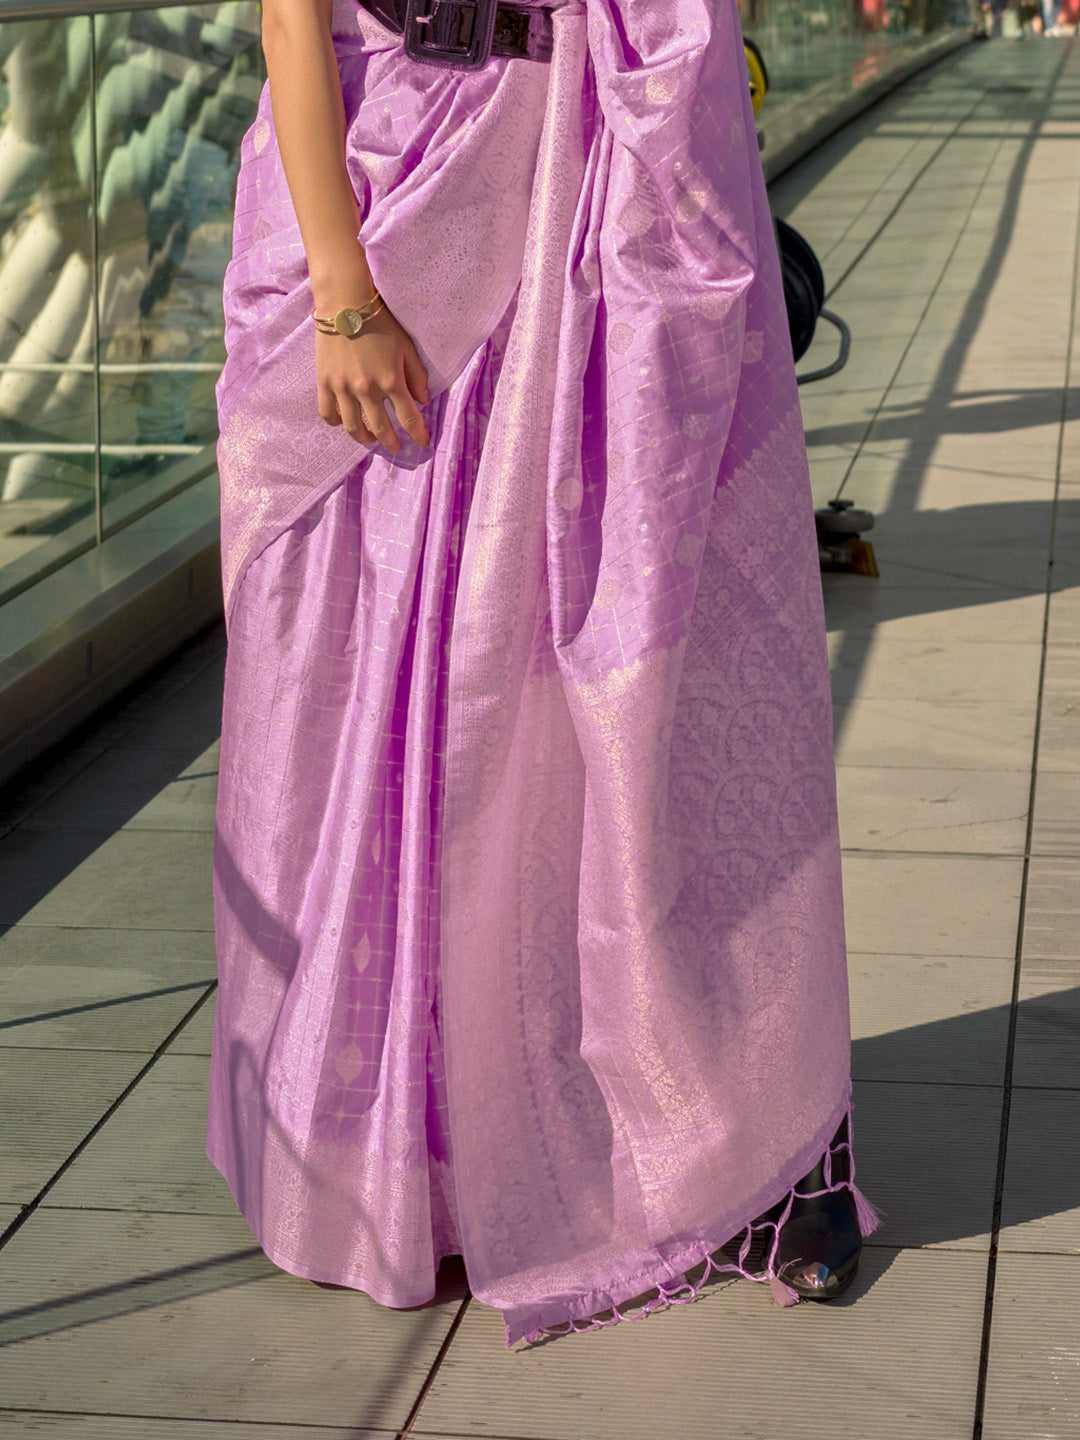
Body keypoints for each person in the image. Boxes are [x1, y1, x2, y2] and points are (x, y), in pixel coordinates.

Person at [208, 0, 879, 1346]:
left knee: (593, 703)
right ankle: (412, 1163)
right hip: (393, 210)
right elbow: (294, 23)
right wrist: (342, 295)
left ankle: (730, 1135)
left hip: (586, 214)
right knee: (380, 692)